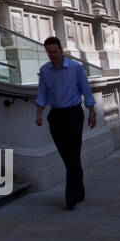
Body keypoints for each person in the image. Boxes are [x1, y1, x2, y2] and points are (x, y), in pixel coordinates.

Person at [35, 36, 97, 209]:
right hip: (56, 116)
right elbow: (42, 94)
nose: (52, 55)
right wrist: (39, 114)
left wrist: (92, 113)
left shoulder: (76, 68)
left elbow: (86, 91)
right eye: (49, 53)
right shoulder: (45, 70)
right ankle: (80, 190)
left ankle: (71, 198)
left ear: (61, 50)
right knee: (69, 157)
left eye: (55, 52)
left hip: (74, 114)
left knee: (72, 155)